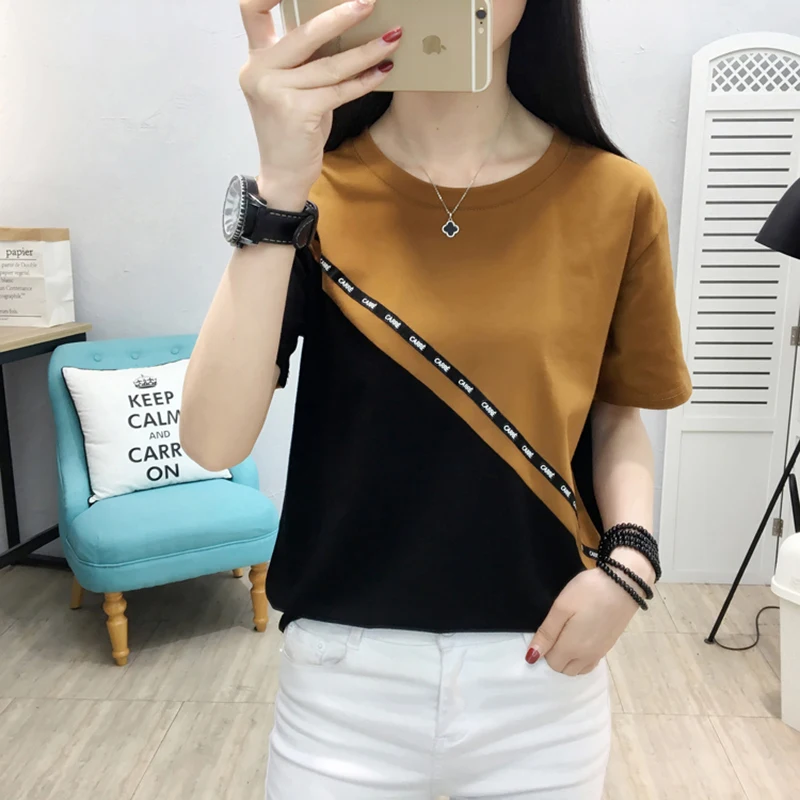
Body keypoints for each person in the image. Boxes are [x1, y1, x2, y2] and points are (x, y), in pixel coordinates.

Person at [181, 0, 692, 797]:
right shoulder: (315, 193)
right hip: (341, 687)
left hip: (544, 676)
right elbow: (212, 441)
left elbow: (616, 415)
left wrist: (631, 564)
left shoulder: (615, 195)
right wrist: (279, 182)